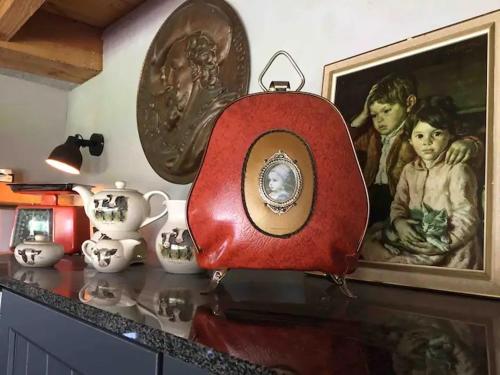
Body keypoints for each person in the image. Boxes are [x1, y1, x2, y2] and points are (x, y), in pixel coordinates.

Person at [363, 96, 481, 269]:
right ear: (410, 140)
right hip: (417, 237)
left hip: (448, 242)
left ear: (450, 136)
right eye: (419, 135)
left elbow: (467, 218)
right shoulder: (409, 170)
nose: (427, 142)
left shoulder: (458, 170)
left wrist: (447, 243)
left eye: (437, 134)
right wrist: (399, 222)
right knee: (369, 246)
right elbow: (399, 204)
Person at [351, 73, 481, 225]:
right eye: (374, 115)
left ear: (409, 103)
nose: (379, 119)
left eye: (386, 111)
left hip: (401, 196)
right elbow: (345, 143)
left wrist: (470, 143)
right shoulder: (372, 137)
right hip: (371, 195)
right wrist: (363, 114)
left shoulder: (416, 132)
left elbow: (452, 137)